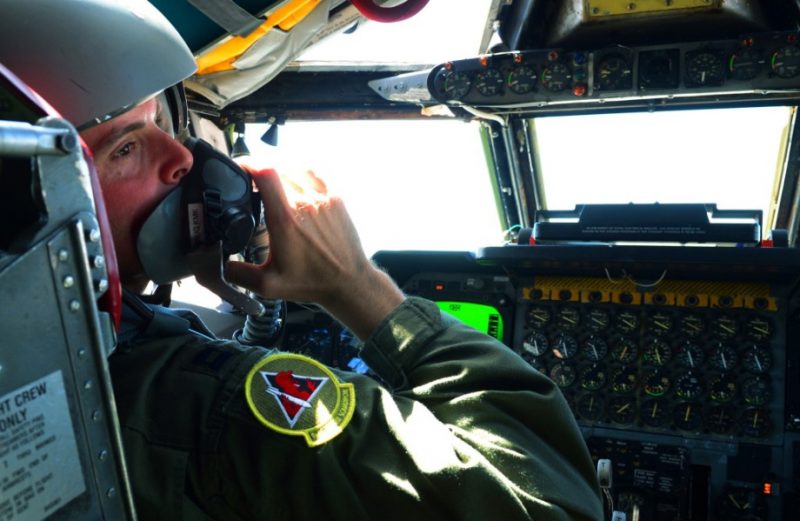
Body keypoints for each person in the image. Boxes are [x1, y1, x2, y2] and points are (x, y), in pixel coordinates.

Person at [1, 1, 604, 519]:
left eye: (161, 120)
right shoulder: (197, 401)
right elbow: (549, 500)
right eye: (124, 147)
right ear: (26, 200)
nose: (182, 156)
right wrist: (358, 286)